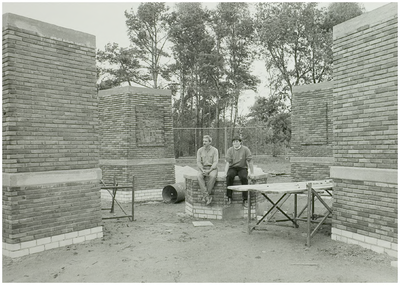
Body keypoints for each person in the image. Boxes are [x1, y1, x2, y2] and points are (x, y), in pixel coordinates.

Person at [225, 136, 254, 207]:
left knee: (244, 177)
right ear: (232, 143)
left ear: (240, 142)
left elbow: (250, 161)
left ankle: (245, 199)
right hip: (233, 167)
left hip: (242, 167)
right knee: (229, 176)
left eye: (237, 141)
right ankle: (229, 197)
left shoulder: (245, 149)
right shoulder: (230, 150)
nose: (235, 143)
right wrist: (225, 173)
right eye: (234, 141)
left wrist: (252, 173)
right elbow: (228, 162)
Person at [196, 135, 219, 205]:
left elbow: (215, 162)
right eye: (203, 141)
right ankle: (207, 196)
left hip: (212, 168)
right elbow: (198, 162)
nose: (204, 143)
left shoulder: (215, 150)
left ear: (210, 142)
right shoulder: (200, 150)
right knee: (199, 176)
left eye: (206, 141)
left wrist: (209, 171)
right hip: (203, 168)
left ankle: (205, 196)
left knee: (212, 176)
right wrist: (202, 170)